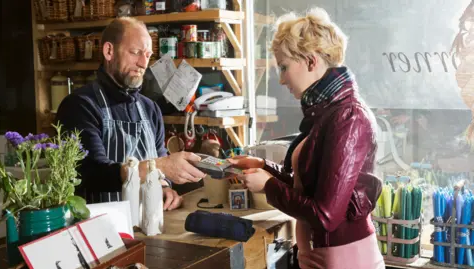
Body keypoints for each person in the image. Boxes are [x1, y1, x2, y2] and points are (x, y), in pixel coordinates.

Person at [228, 8, 384, 269]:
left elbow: (325, 216)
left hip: (346, 260)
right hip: (320, 254)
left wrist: (268, 185)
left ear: (311, 62)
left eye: (284, 67)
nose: (281, 79)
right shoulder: (326, 112)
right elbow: (310, 189)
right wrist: (262, 166)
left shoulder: (349, 117)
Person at [56, 17, 206, 210]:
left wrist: (165, 187)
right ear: (109, 51)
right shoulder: (79, 106)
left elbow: (160, 164)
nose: (144, 63)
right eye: (135, 53)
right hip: (101, 227)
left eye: (148, 54)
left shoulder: (150, 109)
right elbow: (92, 174)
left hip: (147, 225)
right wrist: (159, 166)